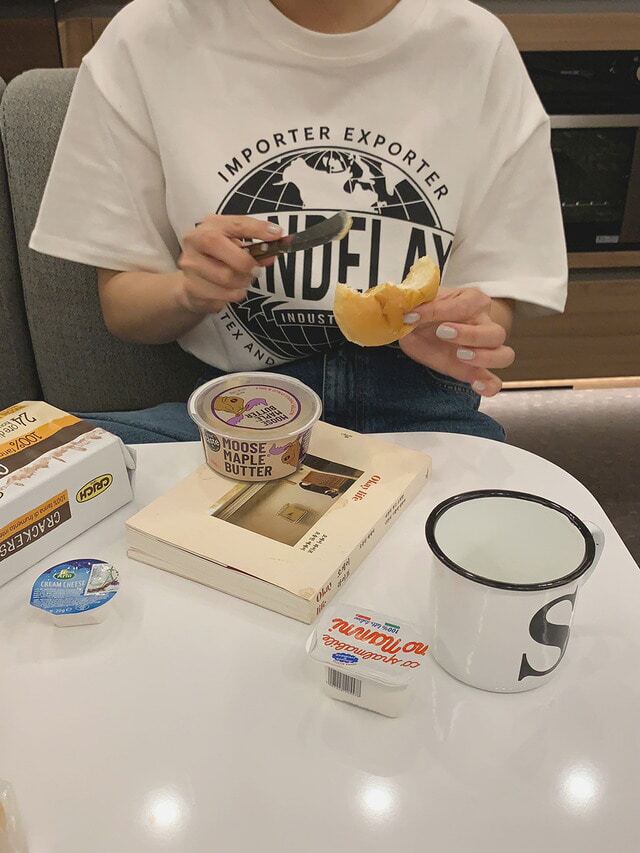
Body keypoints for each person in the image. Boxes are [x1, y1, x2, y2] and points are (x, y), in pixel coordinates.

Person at [30, 0, 568, 443]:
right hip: (238, 409)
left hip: (422, 407)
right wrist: (188, 292)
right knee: (45, 467)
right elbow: (124, 308)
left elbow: (493, 295)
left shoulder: (475, 46)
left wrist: (463, 330)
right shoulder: (147, 38)